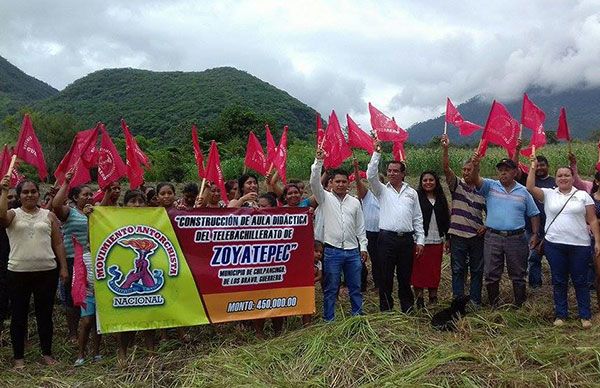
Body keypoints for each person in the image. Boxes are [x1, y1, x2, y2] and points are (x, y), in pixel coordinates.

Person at [0, 177, 69, 368]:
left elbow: (58, 242)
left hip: (46, 272)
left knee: (44, 315)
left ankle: (46, 354)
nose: (30, 195)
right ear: (20, 196)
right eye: (25, 192)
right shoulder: (12, 214)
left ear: (39, 193)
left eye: (33, 191)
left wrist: (63, 267)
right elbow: (1, 219)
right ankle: (18, 358)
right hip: (18, 272)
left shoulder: (48, 215)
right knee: (19, 315)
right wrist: (4, 192)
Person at [526, 158, 600, 328]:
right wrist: (532, 167)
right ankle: (561, 314)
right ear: (556, 178)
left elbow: (593, 220)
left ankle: (585, 316)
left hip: (580, 245)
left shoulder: (582, 196)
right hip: (555, 245)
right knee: (559, 280)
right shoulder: (549, 194)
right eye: (560, 175)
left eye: (567, 175)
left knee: (580, 280)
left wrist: (597, 241)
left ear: (573, 178)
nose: (563, 178)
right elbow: (530, 187)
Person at [471, 156, 540, 307]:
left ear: (515, 172)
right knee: (491, 274)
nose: (503, 173)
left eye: (507, 170)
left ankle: (520, 306)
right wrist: (476, 166)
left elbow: (534, 214)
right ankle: (494, 306)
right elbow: (476, 180)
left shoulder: (523, 192)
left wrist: (535, 234)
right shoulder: (490, 186)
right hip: (493, 237)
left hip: (516, 238)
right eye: (501, 170)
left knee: (518, 274)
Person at [310, 148, 368, 321]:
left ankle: (357, 317)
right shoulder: (324, 198)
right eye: (337, 182)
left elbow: (360, 227)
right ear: (332, 183)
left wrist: (363, 247)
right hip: (332, 251)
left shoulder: (355, 202)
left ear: (348, 184)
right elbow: (314, 183)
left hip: (352, 251)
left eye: (344, 182)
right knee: (331, 288)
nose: (341, 184)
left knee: (355, 287)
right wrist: (318, 162)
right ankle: (329, 319)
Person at [367, 139, 425, 313]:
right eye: (389, 171)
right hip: (386, 239)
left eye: (395, 171)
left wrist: (420, 240)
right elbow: (370, 175)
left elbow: (417, 218)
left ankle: (407, 308)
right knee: (385, 276)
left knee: (405, 276)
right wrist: (377, 153)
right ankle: (386, 309)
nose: (391, 174)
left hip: (406, 240)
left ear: (403, 173)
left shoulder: (412, 193)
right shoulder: (382, 190)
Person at [441, 135, 486, 307]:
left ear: (476, 171)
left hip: (476, 236)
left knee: (477, 270)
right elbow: (446, 168)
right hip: (458, 236)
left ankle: (475, 301)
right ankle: (458, 301)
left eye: (469, 169)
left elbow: (493, 212)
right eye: (464, 170)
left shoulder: (484, 189)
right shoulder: (457, 185)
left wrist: (486, 225)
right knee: (458, 269)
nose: (466, 172)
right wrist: (445, 149)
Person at [51, 172, 94, 342]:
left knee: (88, 296)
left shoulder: (94, 212)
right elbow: (55, 205)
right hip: (71, 260)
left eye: (91, 194)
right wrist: (66, 182)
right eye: (85, 194)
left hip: (90, 260)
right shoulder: (69, 212)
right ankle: (72, 333)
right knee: (71, 297)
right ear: (75, 198)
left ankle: (89, 330)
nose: (89, 197)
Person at [116, 190, 156, 360]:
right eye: (133, 201)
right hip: (126, 270)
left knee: (149, 316)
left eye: (141, 201)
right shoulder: (114, 220)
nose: (137, 205)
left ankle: (151, 354)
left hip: (149, 270)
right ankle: (123, 354)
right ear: (124, 205)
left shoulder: (154, 220)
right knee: (126, 318)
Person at [514, 142, 556, 289]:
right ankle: (535, 285)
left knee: (555, 257)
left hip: (552, 226)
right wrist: (517, 150)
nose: (539, 168)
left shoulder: (555, 182)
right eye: (537, 165)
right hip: (531, 227)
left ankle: (557, 283)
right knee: (533, 257)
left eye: (542, 165)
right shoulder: (528, 180)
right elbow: (514, 169)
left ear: (548, 166)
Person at [411, 171, 450, 308]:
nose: (428, 182)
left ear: (436, 182)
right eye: (425, 180)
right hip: (420, 241)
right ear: (421, 183)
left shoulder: (440, 198)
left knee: (434, 270)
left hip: (436, 241)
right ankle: (419, 300)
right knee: (419, 271)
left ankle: (433, 298)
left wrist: (447, 238)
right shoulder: (416, 198)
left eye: (431, 180)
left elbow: (446, 218)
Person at [353, 159, 377, 291]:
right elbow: (358, 183)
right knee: (362, 259)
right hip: (367, 233)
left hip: (382, 233)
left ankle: (379, 284)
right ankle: (361, 284)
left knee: (379, 260)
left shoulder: (386, 195)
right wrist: (356, 169)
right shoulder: (367, 195)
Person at [0, 188, 17, 337]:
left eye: (14, 197)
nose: (11, 199)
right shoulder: (3, 216)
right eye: (8, 197)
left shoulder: (19, 215)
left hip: (16, 265)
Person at [302, 241, 323, 326]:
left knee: (308, 305)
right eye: (316, 251)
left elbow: (320, 276)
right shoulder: (304, 261)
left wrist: (312, 280)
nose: (319, 254)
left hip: (310, 288)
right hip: (301, 287)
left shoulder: (319, 264)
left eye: (321, 252)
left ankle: (307, 324)